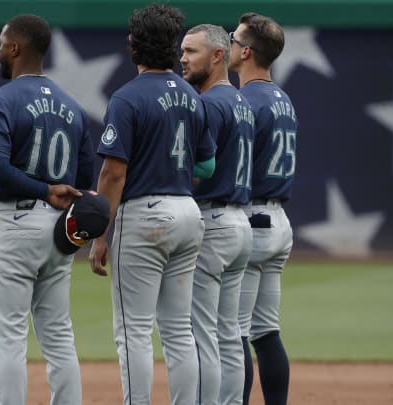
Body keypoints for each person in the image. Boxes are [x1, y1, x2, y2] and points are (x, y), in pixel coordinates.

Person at [88, 4, 217, 404]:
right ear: (173, 46)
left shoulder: (127, 98)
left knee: (134, 331)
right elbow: (205, 165)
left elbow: (112, 174)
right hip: (187, 212)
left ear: (133, 44)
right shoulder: (192, 97)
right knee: (179, 330)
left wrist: (99, 233)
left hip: (145, 217)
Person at [0, 14, 95, 405]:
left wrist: (41, 188)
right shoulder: (72, 107)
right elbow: (86, 175)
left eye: (0, 43)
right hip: (59, 229)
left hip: (14, 222)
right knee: (58, 334)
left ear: (15, 48)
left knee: (9, 337)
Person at [180, 24, 255, 405]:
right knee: (229, 333)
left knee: (201, 333)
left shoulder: (206, 103)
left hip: (212, 220)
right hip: (241, 221)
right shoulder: (241, 100)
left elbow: (195, 168)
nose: (183, 58)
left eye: (192, 51)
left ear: (218, 55)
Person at [228, 12, 298, 405]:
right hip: (278, 223)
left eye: (234, 40)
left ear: (247, 51)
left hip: (249, 219)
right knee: (266, 331)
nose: (230, 45)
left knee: (235, 332)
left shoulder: (243, 100)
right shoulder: (283, 99)